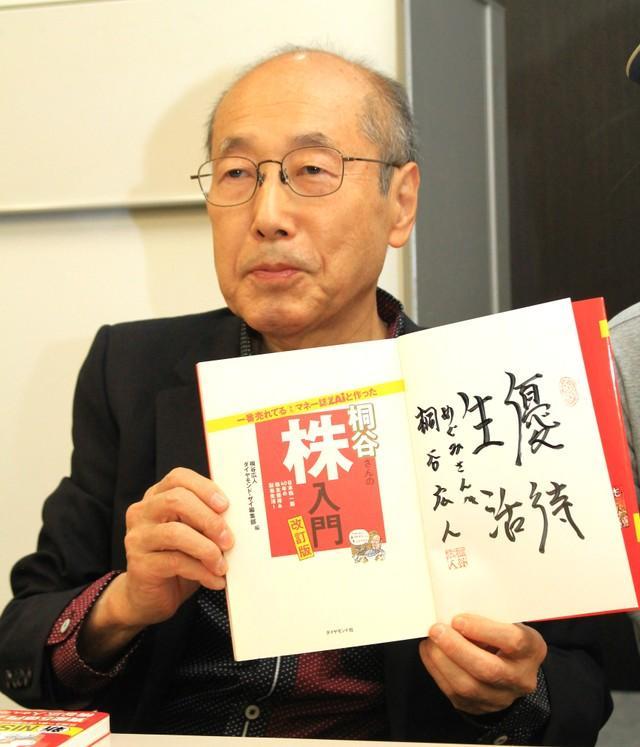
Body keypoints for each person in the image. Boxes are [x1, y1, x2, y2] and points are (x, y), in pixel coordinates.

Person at [0, 47, 610, 745]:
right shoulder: (131, 370)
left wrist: (515, 690)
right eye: (237, 173)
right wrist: (124, 604)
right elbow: (24, 643)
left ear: (400, 202)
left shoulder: (496, 393)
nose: (267, 215)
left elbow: (584, 689)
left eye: (312, 171)